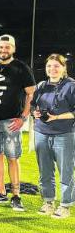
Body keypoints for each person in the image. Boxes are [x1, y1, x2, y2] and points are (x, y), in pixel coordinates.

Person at [0, 34, 34, 211]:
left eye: (7, 47)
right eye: (1, 47)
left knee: (12, 158)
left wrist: (23, 117)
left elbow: (31, 94)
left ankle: (16, 196)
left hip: (11, 121)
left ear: (13, 49)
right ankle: (0, 192)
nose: (3, 50)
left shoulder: (21, 68)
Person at [30, 54, 75, 219]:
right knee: (45, 171)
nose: (52, 69)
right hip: (41, 133)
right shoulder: (42, 85)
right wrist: (34, 112)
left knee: (66, 172)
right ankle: (48, 202)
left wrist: (56, 117)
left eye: (56, 66)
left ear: (63, 68)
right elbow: (32, 104)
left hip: (64, 135)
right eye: (49, 66)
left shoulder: (71, 86)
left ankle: (65, 205)